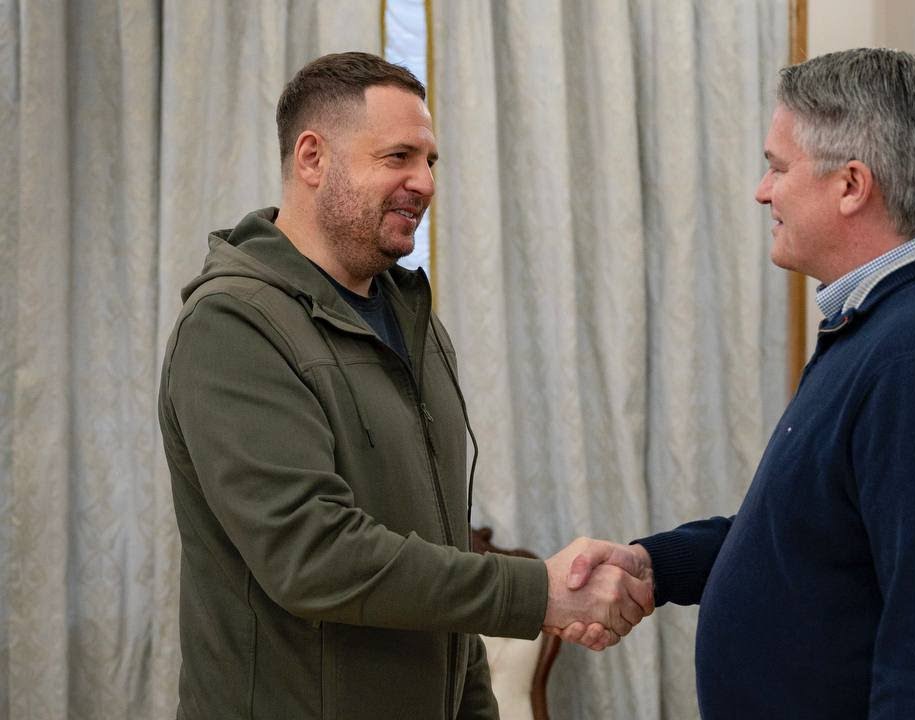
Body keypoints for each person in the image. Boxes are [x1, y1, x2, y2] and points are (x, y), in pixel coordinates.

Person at [558, 48, 915, 719]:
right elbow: (816, 536)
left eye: (778, 167)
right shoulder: (888, 324)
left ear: (851, 185)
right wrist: (658, 566)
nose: (763, 191)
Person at [157, 52, 651, 720]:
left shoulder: (412, 321)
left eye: (430, 161)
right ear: (312, 158)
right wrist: (538, 592)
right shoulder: (233, 326)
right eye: (398, 157)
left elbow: (440, 550)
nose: (424, 182)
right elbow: (313, 555)